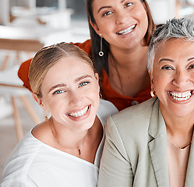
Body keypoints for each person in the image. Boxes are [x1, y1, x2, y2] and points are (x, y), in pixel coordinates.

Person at [98, 18, 194, 187]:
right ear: (152, 78)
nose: (180, 81)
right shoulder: (123, 131)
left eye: (193, 66)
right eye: (167, 67)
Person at [17, 0, 156, 111]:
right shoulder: (84, 55)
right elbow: (26, 70)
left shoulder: (171, 47)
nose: (122, 19)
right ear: (96, 27)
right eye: (107, 13)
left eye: (128, 4)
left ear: (144, 6)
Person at [1, 42, 118, 187]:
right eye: (59, 91)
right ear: (40, 101)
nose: (77, 100)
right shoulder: (26, 177)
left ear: (96, 81)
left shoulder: (109, 114)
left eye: (83, 83)